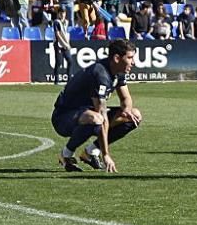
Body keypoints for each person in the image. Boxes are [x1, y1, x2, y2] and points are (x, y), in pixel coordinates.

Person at [51, 39, 142, 172]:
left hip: (89, 113)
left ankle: (91, 152)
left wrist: (127, 109)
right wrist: (106, 155)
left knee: (134, 116)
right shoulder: (100, 74)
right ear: (117, 58)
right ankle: (66, 155)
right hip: (64, 118)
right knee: (96, 119)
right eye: (130, 58)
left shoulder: (118, 71)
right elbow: (102, 115)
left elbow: (126, 98)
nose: (133, 62)